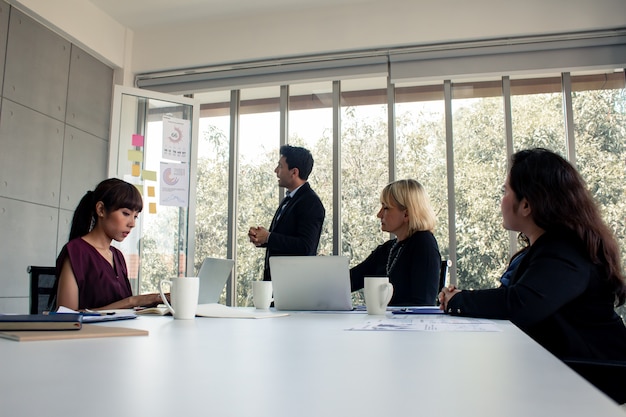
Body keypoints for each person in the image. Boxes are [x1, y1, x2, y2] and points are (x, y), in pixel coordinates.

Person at [439, 148, 626, 361]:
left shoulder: (566, 249)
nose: (502, 201)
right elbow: (519, 296)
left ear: (526, 204)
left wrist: (459, 300)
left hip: (597, 380)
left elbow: (521, 304)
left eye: (505, 192)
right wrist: (461, 297)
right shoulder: (549, 247)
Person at [51, 178, 163, 311]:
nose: (132, 224)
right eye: (126, 213)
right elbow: (66, 316)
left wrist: (153, 300)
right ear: (101, 210)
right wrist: (132, 301)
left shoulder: (118, 256)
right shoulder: (76, 252)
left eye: (135, 216)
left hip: (123, 331)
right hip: (91, 332)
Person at [350, 179, 441, 306]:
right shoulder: (388, 249)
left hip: (407, 325)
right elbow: (350, 280)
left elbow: (423, 303)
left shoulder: (424, 243)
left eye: (386, 208)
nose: (379, 214)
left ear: (407, 213)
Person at [248, 145, 325, 281]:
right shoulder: (289, 199)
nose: (276, 170)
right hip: (277, 282)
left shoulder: (310, 202)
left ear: (294, 172)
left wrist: (268, 237)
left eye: (280, 166)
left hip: (293, 286)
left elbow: (306, 246)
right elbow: (283, 239)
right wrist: (261, 237)